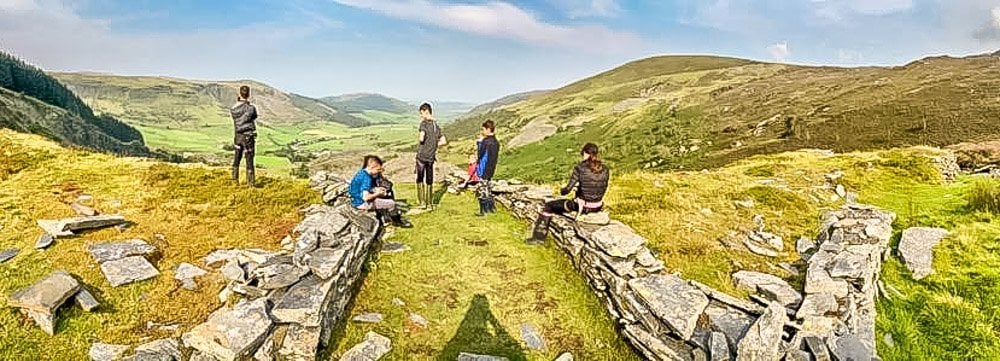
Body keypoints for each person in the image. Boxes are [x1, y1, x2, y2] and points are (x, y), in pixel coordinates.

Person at [527, 143, 609, 244]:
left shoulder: (580, 168)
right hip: (598, 205)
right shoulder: (605, 169)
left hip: (581, 206)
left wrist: (561, 191)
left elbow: (567, 190)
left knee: (549, 206)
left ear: (585, 153)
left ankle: (538, 237)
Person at [350, 155, 412, 228]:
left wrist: (376, 189)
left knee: (384, 196)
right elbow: (366, 198)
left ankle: (386, 217)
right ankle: (397, 222)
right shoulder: (367, 178)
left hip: (355, 199)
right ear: (372, 167)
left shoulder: (362, 173)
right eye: (378, 169)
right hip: (361, 203)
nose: (379, 171)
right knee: (391, 203)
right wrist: (378, 193)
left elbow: (361, 189)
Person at [415, 103, 447, 210]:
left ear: (425, 111)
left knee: (420, 178)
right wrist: (434, 144)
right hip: (431, 157)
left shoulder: (423, 124)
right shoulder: (436, 126)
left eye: (421, 113)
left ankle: (422, 202)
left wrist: (423, 139)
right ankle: (429, 204)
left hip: (421, 156)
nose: (421, 116)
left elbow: (421, 138)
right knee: (429, 179)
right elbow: (443, 141)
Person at [231, 85, 258, 187]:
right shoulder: (251, 108)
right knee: (249, 159)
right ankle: (250, 184)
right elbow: (254, 116)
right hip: (248, 136)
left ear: (239, 94)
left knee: (237, 158)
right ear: (248, 94)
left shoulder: (233, 108)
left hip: (237, 136)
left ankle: (234, 181)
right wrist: (247, 104)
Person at [475, 120, 500, 216]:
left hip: (484, 168)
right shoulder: (496, 142)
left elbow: (480, 154)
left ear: (488, 129)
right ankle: (491, 208)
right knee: (488, 188)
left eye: (483, 129)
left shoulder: (485, 141)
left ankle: (483, 211)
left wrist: (479, 143)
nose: (482, 131)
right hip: (491, 168)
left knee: (482, 189)